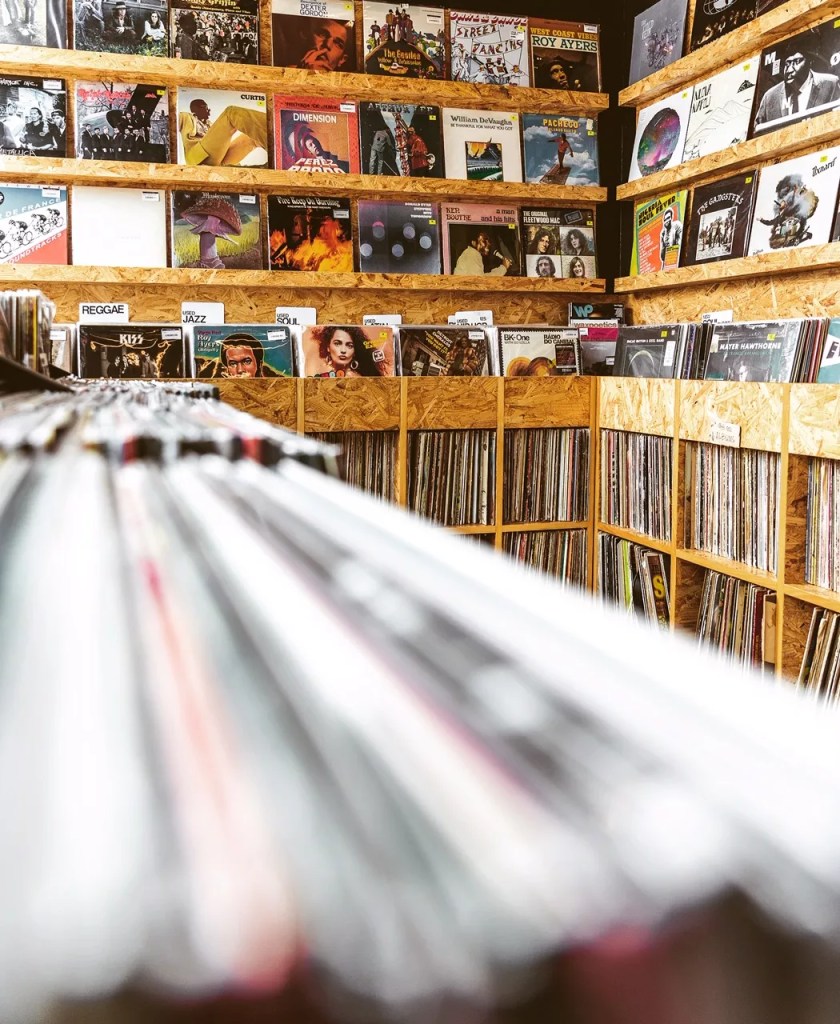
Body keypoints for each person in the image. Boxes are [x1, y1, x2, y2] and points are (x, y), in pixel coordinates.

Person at [753, 45, 840, 129]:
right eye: (787, 63)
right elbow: (757, 131)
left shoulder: (831, 83)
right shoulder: (769, 97)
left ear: (810, 62)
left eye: (797, 62)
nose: (790, 69)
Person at [178, 96, 266, 166]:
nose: (208, 110)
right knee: (230, 113)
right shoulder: (185, 117)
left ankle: (274, 142)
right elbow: (170, 121)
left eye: (207, 108)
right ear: (195, 110)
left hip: (219, 160)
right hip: (199, 157)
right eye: (204, 108)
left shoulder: (210, 124)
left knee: (253, 137)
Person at [312, 326, 385, 378]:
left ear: (354, 351)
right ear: (328, 347)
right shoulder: (324, 375)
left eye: (349, 346)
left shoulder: (356, 379)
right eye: (337, 344)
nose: (343, 350)